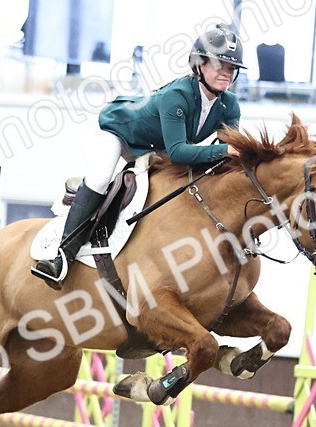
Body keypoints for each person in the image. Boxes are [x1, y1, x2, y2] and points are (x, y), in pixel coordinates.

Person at [31, 22, 246, 290]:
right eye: (219, 65)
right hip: (119, 134)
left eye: (231, 68)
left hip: (156, 149)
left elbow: (228, 154)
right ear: (199, 65)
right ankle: (61, 257)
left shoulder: (230, 105)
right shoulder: (178, 95)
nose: (226, 73)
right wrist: (224, 150)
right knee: (99, 180)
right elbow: (180, 152)